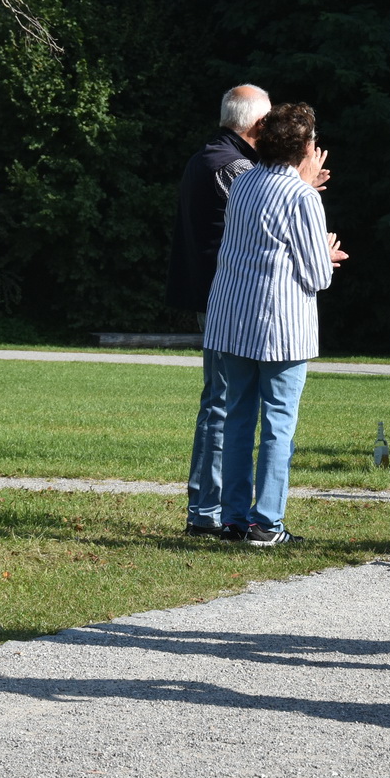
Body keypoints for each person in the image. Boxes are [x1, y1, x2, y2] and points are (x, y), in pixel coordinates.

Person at [203, 102, 345, 545]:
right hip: (281, 326)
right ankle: (267, 523)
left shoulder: (243, 183)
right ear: (305, 146)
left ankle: (233, 519)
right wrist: (325, 252)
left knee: (238, 420)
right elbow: (317, 275)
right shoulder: (301, 196)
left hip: (232, 317)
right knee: (278, 425)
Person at [166, 84, 276, 537]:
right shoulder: (235, 167)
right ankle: (207, 511)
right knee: (223, 404)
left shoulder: (205, 157)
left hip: (211, 297)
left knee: (221, 400)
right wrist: (302, 189)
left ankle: (210, 508)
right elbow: (261, 226)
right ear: (256, 124)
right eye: (269, 122)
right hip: (226, 300)